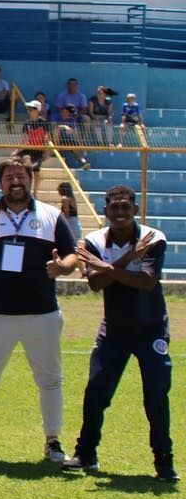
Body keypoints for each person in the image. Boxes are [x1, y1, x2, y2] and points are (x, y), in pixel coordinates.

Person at [0, 156, 78, 465]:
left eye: (21, 175)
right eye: (9, 176)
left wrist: (61, 267)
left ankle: (53, 442)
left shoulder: (52, 216)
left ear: (30, 179)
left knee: (50, 379)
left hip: (42, 313)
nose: (16, 181)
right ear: (0, 183)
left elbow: (71, 256)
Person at [66, 186, 175, 481]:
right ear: (106, 211)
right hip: (113, 331)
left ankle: (164, 460)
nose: (120, 213)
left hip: (151, 328)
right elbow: (95, 283)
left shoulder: (153, 238)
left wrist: (108, 268)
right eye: (114, 208)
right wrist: (125, 260)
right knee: (96, 390)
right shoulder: (94, 240)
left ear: (135, 209)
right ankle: (86, 453)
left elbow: (148, 282)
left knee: (155, 393)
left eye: (125, 207)